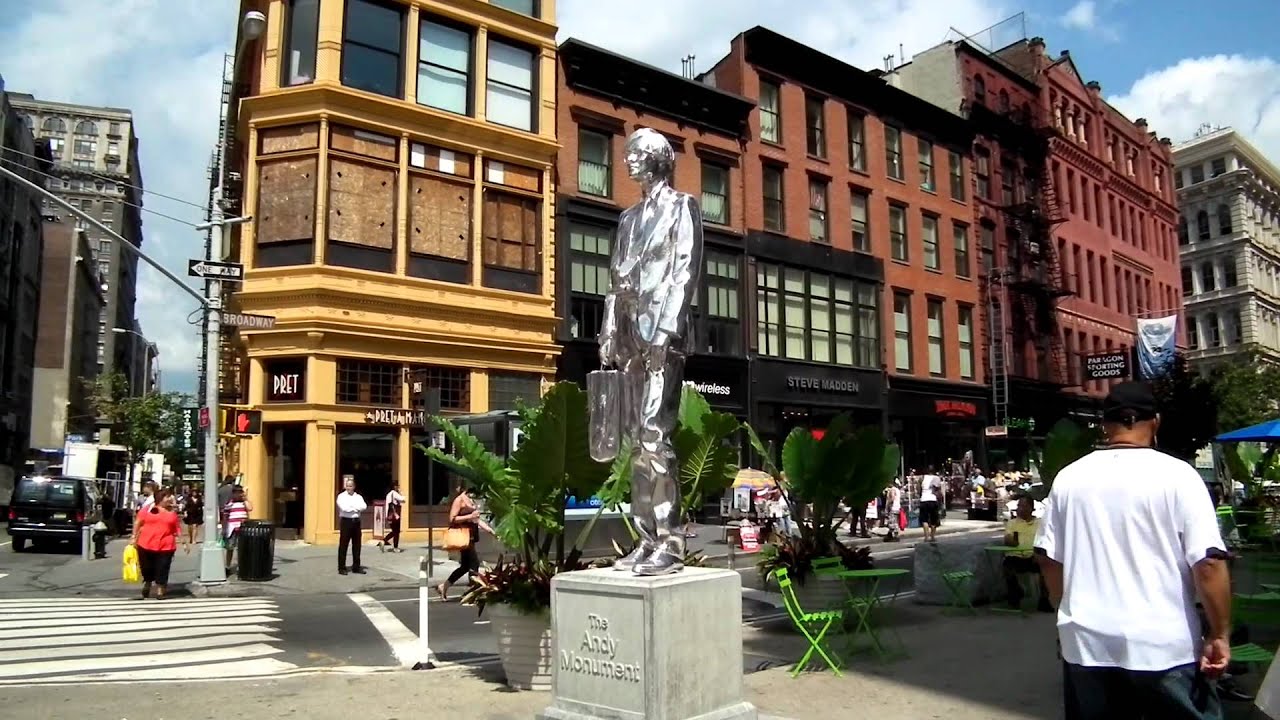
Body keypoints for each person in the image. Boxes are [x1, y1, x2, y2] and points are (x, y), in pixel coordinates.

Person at [1034, 381, 1229, 718]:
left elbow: (1048, 557)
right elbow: (1208, 563)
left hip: (1087, 643)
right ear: (1155, 422)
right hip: (1164, 646)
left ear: (1105, 425)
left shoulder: (1067, 479)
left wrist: (1063, 608)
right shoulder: (1179, 476)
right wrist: (1219, 632)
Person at [596, 128, 703, 576]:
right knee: (637, 442)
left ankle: (671, 540)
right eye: (626, 155)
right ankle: (646, 539)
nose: (628, 162)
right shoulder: (627, 219)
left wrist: (664, 332)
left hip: (662, 336)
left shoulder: (684, 208)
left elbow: (684, 271)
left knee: (656, 434)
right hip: (627, 340)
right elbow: (616, 282)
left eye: (636, 154)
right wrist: (606, 331)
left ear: (659, 159)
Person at [436, 480, 492, 601]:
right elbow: (452, 519)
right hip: (464, 536)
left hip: (471, 536)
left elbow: (476, 519)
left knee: (466, 566)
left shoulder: (469, 500)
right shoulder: (459, 500)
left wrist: (490, 530)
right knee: (474, 564)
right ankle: (473, 593)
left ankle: (444, 586)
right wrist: (469, 516)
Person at [1002, 496, 1051, 611]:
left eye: (1023, 506)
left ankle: (1044, 601)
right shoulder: (1012, 523)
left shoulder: (1039, 523)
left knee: (1046, 567)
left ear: (1031, 508)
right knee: (1007, 568)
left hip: (1034, 556)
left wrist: (1038, 554)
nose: (1020, 509)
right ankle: (1015, 597)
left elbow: (1045, 541)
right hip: (1016, 556)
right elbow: (1008, 539)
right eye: (1019, 506)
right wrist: (1010, 540)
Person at [131, 488, 181, 600]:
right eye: (168, 496)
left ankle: (160, 590)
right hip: (146, 543)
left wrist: (184, 542)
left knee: (163, 567)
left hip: (166, 545)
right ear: (161, 498)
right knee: (146, 567)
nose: (171, 498)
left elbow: (176, 528)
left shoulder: (172, 513)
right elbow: (138, 522)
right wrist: (133, 537)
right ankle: (148, 582)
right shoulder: (148, 510)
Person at [336, 476, 367, 575]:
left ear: (354, 486)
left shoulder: (358, 497)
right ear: (345, 486)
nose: (349, 488)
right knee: (343, 545)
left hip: (356, 522)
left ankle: (356, 567)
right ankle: (341, 567)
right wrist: (355, 508)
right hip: (346, 522)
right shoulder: (341, 496)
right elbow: (345, 508)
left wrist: (353, 507)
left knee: (357, 545)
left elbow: (364, 506)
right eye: (347, 486)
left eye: (351, 486)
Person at [222, 485, 252, 572]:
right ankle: (228, 565)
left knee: (242, 548)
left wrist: (246, 499)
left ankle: (241, 565)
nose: (238, 495)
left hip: (243, 528)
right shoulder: (230, 504)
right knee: (230, 547)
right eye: (236, 493)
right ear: (233, 494)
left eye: (240, 492)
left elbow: (250, 508)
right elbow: (225, 516)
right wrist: (224, 528)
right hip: (232, 528)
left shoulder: (244, 503)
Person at [378, 482, 405, 553]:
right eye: (397, 486)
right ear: (394, 486)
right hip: (395, 516)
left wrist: (387, 516)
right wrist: (401, 493)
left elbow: (388, 506)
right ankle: (395, 547)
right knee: (396, 532)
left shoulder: (388, 494)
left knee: (394, 531)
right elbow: (403, 499)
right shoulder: (395, 493)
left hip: (389, 516)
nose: (398, 487)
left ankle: (383, 541)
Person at [918, 467, 943, 543]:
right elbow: (938, 490)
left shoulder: (921, 478)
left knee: (924, 519)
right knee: (933, 519)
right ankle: (932, 537)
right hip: (933, 499)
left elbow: (919, 489)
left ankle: (926, 537)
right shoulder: (936, 478)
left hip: (924, 500)